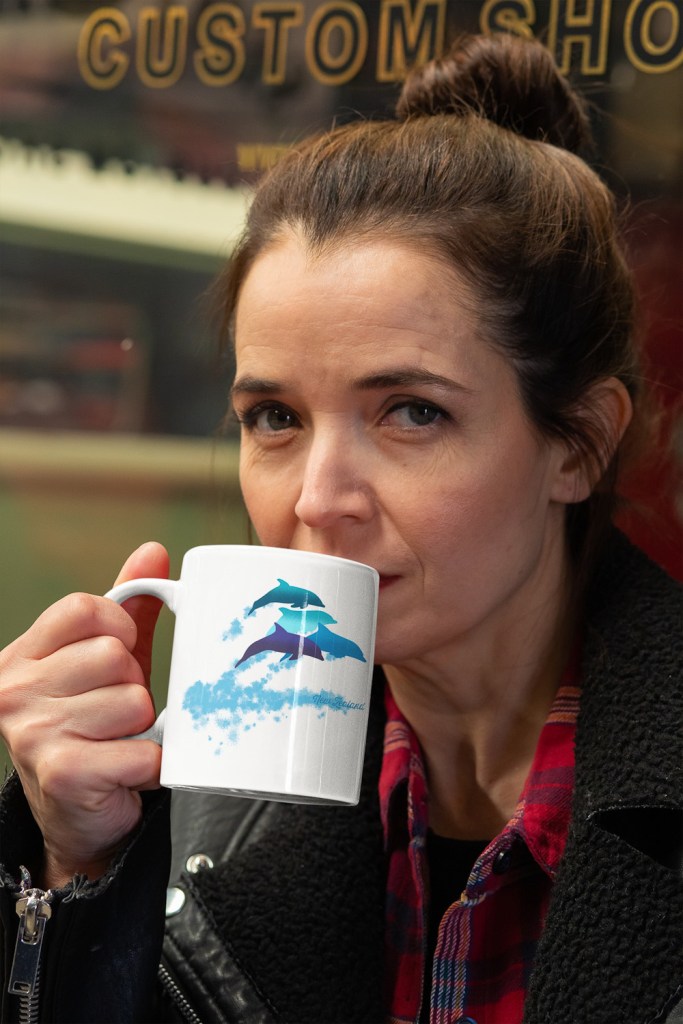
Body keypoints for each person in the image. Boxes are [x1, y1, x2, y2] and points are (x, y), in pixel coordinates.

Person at [0, 31, 681, 1024]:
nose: (318, 499)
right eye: (274, 417)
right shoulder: (201, 807)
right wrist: (79, 872)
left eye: (411, 412)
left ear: (577, 444)